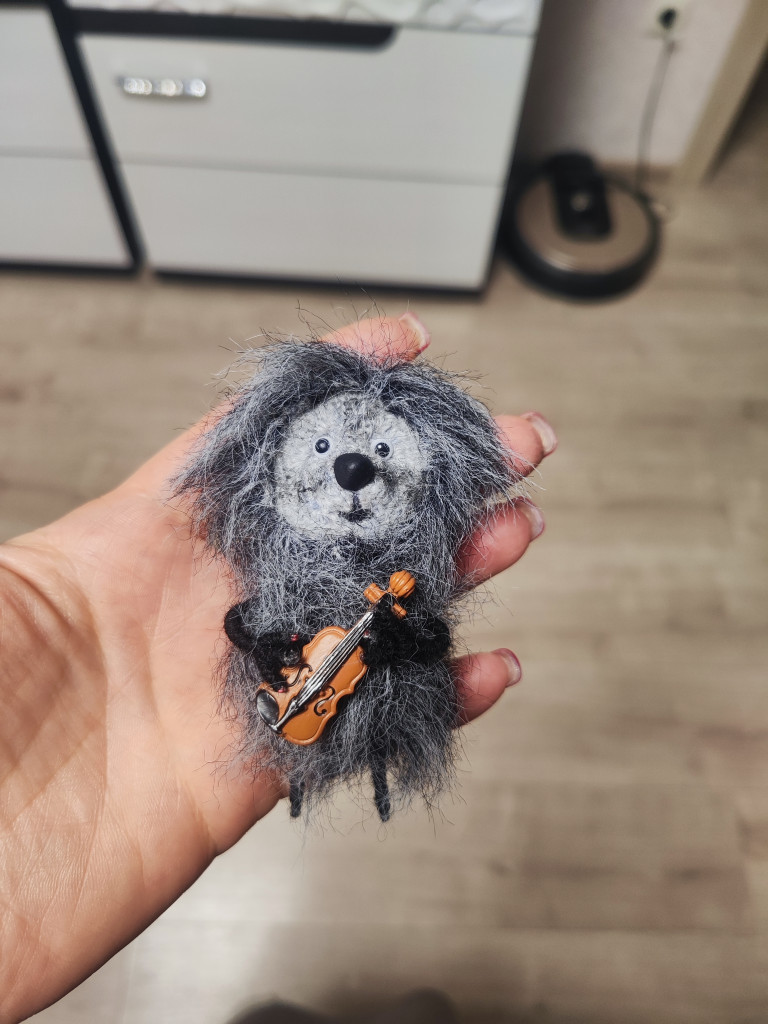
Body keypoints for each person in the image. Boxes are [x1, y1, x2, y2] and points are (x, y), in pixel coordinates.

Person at [0, 316, 556, 1021]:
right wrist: (277, 648)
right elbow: (244, 624)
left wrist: (401, 639)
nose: (352, 469)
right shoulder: (274, 561)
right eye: (321, 448)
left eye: (382, 451)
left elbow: (428, 636)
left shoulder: (402, 574)